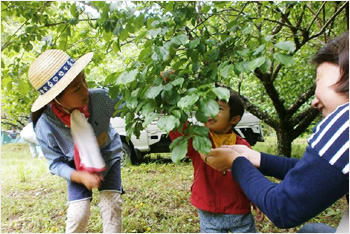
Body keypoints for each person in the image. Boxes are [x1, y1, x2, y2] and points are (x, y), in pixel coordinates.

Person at [200, 32, 349, 232]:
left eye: (318, 81)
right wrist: (257, 158)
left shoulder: (345, 122)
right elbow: (315, 172)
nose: (314, 101)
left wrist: (236, 163)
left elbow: (283, 208)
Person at [28, 49, 123, 233]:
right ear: (56, 97)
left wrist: (158, 84)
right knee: (78, 214)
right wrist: (79, 176)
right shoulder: (45, 125)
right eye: (77, 88)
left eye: (84, 81)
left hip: (108, 157)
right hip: (75, 167)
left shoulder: (100, 99)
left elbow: (131, 101)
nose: (86, 89)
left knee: (112, 206)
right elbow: (55, 163)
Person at [169, 88, 264, 233]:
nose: (210, 112)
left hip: (239, 213)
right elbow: (178, 127)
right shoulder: (197, 139)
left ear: (234, 119)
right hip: (209, 213)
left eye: (219, 108)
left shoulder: (243, 146)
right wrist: (170, 93)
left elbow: (251, 177)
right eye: (208, 106)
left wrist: (257, 200)